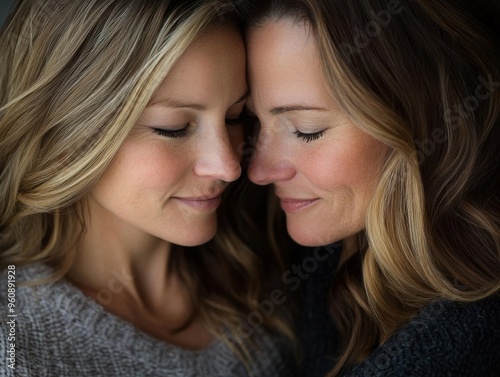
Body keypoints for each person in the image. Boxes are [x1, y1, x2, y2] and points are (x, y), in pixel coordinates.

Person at [0, 0, 297, 376]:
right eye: (173, 127)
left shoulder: (275, 266)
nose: (230, 166)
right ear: (66, 135)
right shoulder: (13, 348)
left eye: (236, 117)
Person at [238, 0, 500, 376]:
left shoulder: (469, 339)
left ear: (416, 122)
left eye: (306, 130)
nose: (258, 171)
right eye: (250, 121)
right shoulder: (317, 265)